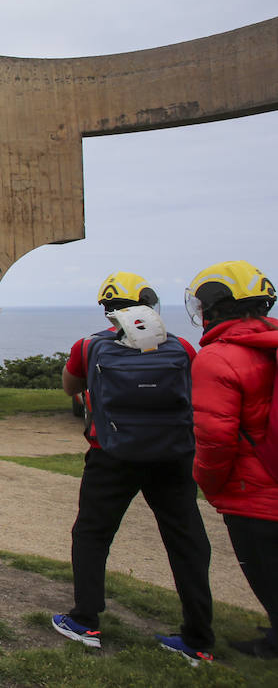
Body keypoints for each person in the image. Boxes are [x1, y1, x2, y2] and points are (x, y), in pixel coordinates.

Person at [50, 271, 214, 664]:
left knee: (92, 533)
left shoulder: (88, 347)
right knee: (186, 540)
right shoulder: (181, 347)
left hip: (112, 453)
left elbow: (71, 388)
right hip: (172, 456)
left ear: (108, 310)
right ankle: (198, 639)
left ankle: (85, 621)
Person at [186, 260, 278, 660]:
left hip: (251, 488)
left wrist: (208, 482)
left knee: (265, 571)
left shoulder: (218, 358)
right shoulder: (270, 346)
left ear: (215, 307)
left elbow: (214, 438)